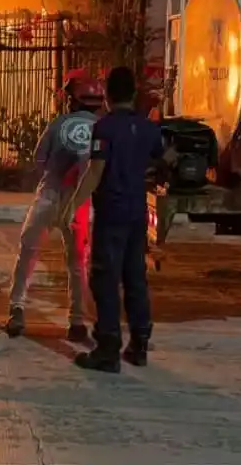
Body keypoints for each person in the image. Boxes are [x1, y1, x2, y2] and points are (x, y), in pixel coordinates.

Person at [67, 66, 174, 373]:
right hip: (136, 213)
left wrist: (73, 204)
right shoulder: (148, 128)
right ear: (133, 94)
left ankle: (108, 348)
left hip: (111, 213)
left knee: (105, 278)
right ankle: (139, 344)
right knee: (135, 278)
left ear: (108, 96)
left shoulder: (105, 128)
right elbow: (166, 158)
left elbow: (96, 171)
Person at [5, 69, 105, 342]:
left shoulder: (58, 124)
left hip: (50, 194)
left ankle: (17, 308)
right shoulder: (103, 128)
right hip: (81, 203)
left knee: (29, 251)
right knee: (77, 262)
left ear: (71, 98)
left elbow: (39, 159)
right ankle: (76, 323)